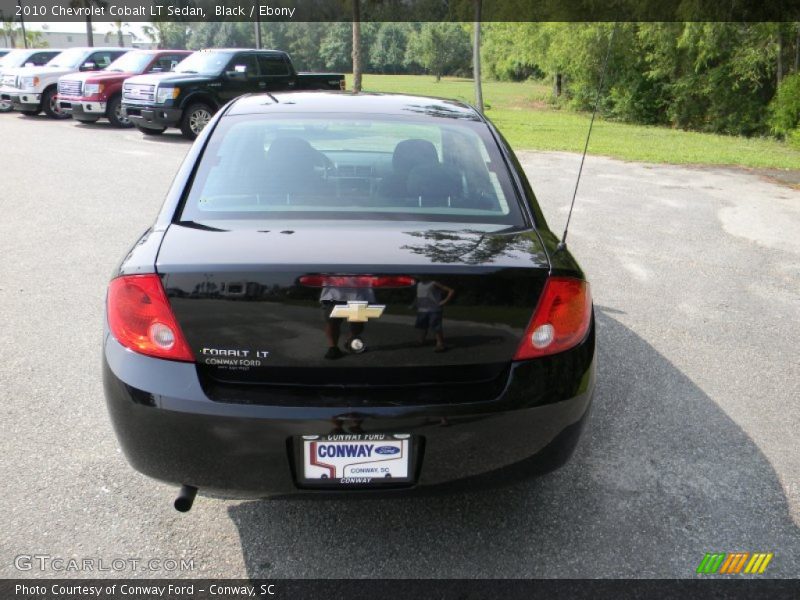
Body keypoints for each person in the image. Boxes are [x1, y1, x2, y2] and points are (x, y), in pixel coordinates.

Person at [414, 279, 454, 352]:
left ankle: (440, 344)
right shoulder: (419, 284)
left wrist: (444, 301)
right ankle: (421, 341)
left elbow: (451, 291)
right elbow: (419, 296)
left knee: (435, 327)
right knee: (422, 326)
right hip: (422, 310)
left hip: (434, 310)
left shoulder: (433, 283)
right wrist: (415, 304)